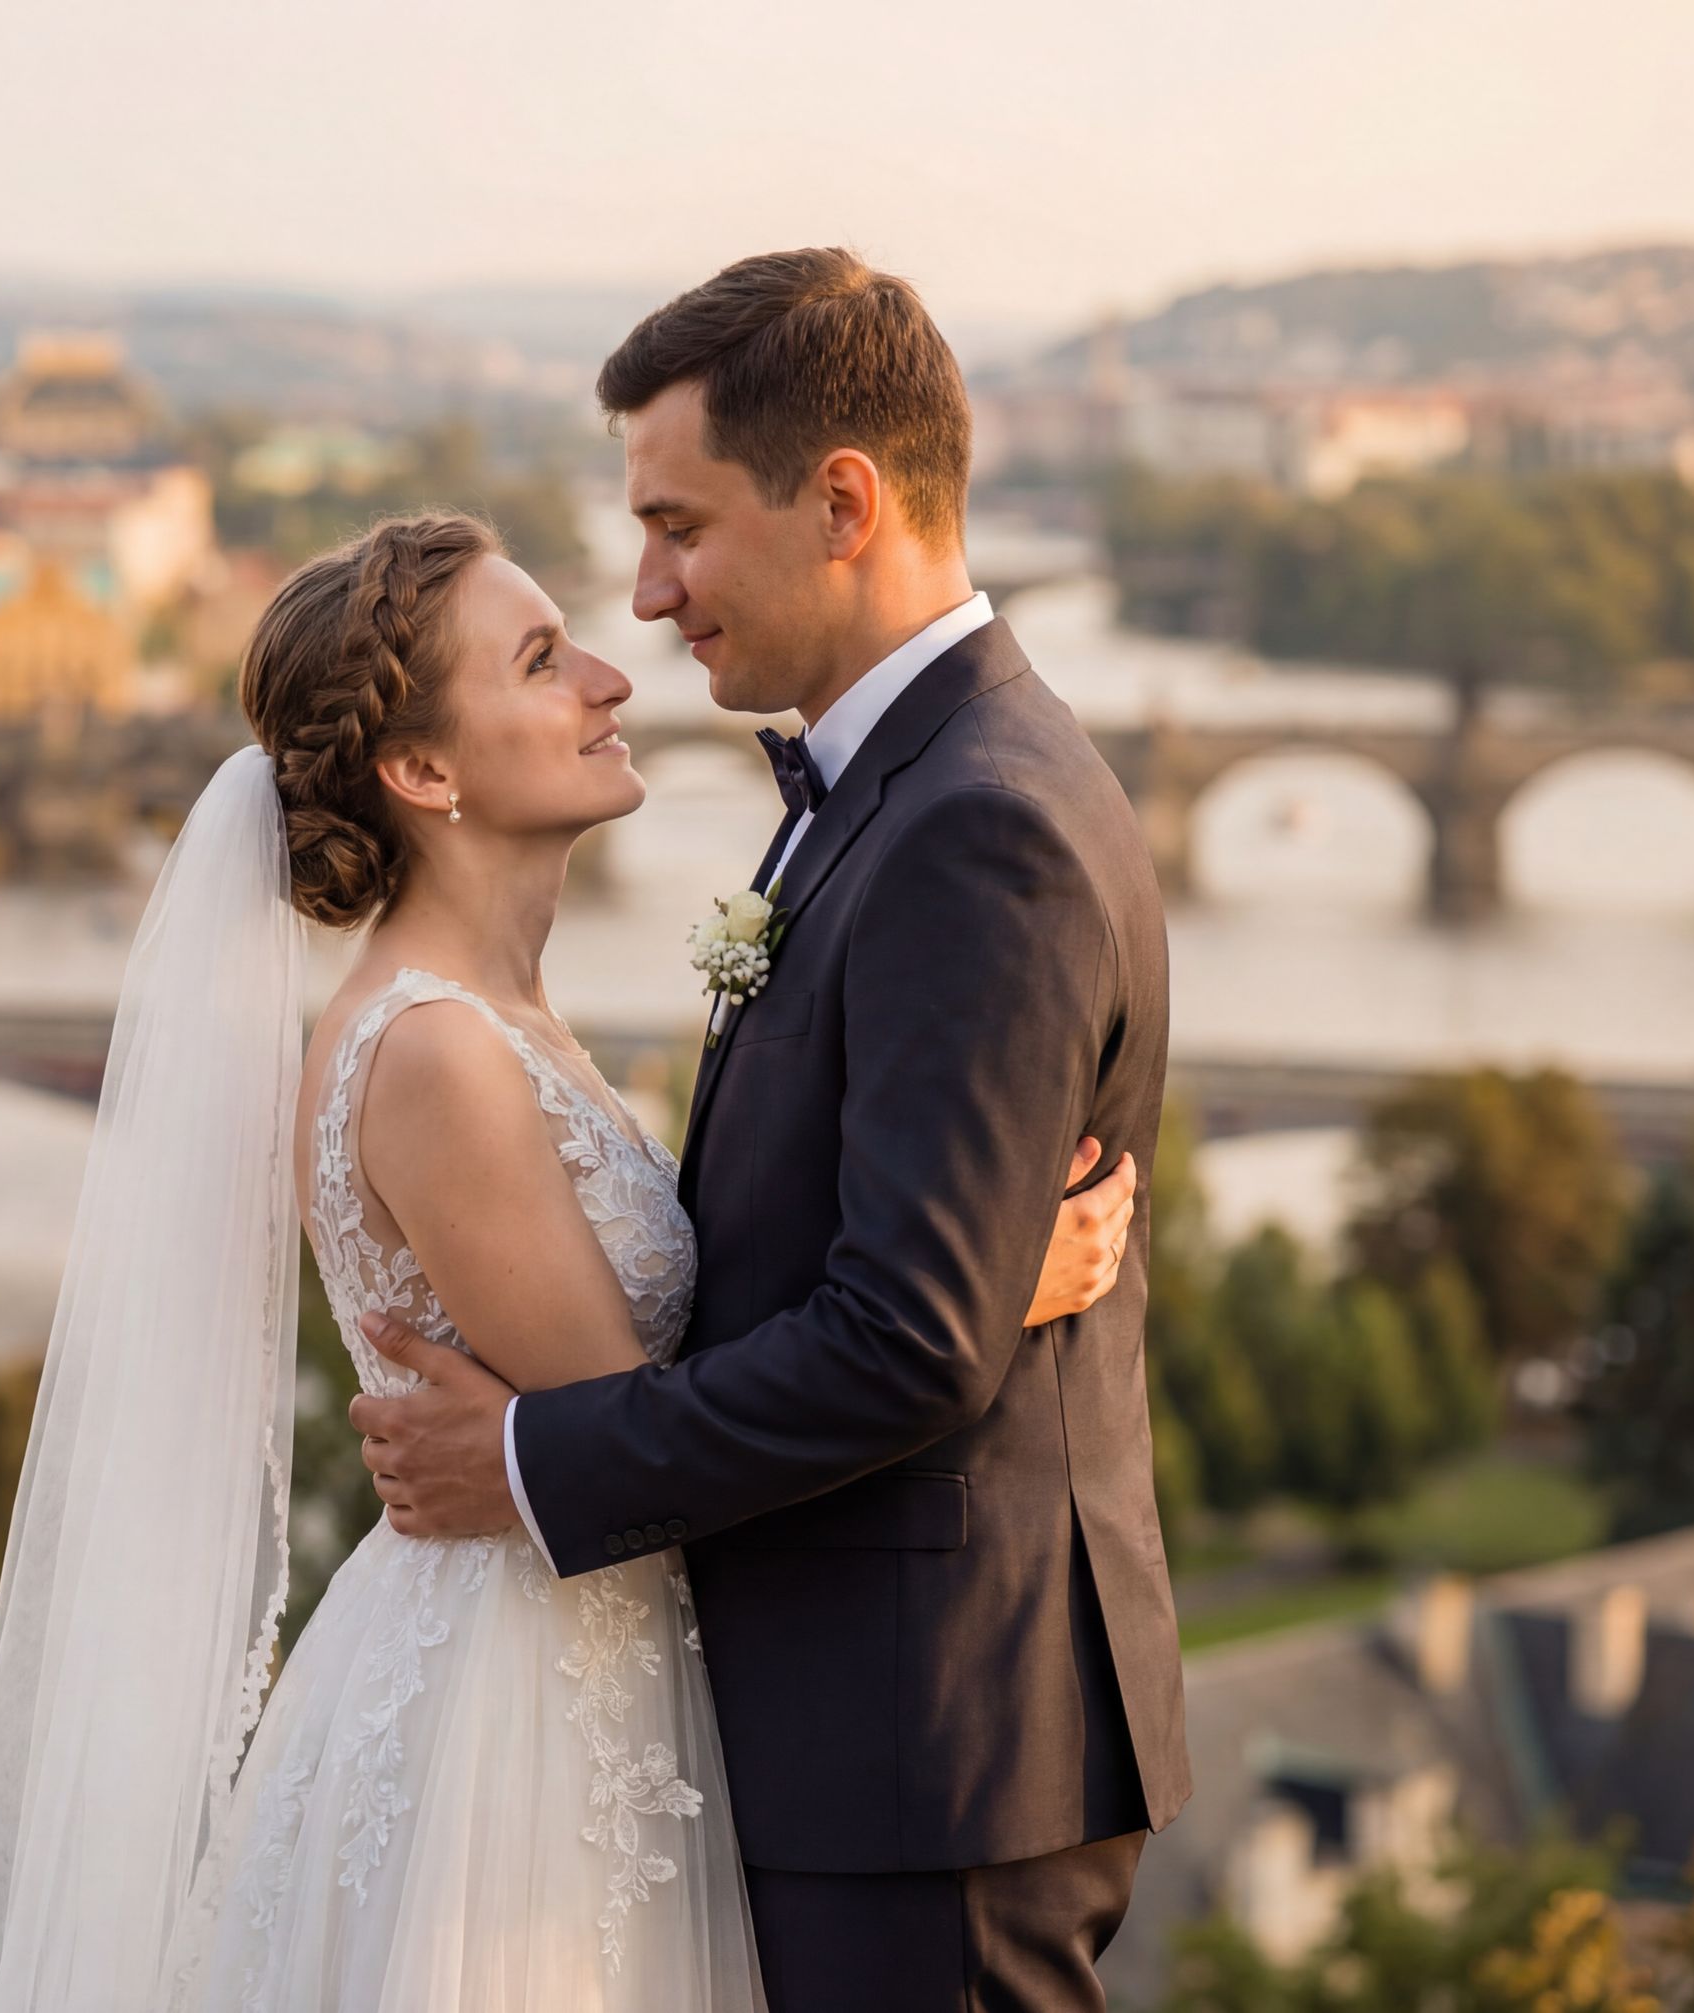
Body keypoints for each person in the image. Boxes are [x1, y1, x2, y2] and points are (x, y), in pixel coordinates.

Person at [0, 496, 1134, 2010]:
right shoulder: (433, 1052)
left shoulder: (497, 1022)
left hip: (583, 1670)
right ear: (424, 769)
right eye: (544, 659)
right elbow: (642, 1426)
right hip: (517, 1724)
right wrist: (977, 1289)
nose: (612, 678)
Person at [349, 249, 1192, 2013]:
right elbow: (903, 1287)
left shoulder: (975, 827)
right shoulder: (895, 786)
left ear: (843, 502)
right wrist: (981, 1281)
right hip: (864, 1727)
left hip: (932, 1741)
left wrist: (524, 1462)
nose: (645, 600)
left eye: (677, 527)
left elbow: (905, 1339)